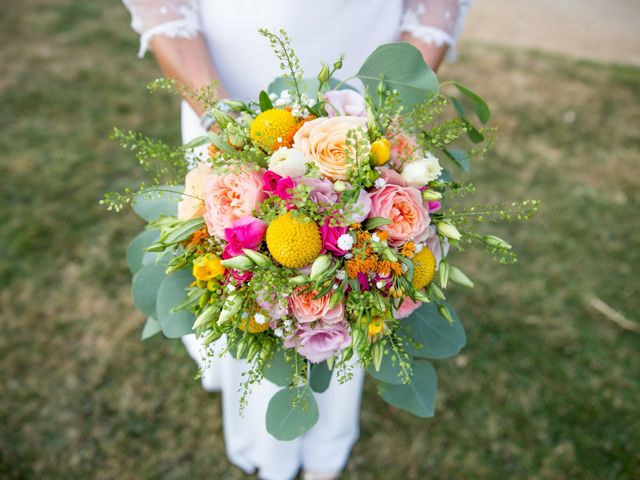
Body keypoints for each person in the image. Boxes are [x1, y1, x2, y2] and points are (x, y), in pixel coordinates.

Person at [121, 1, 473, 479]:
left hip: (362, 85)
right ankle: (258, 429)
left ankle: (322, 433)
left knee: (347, 285)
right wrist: (220, 118)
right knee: (240, 273)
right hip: (221, 76)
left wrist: (381, 115)